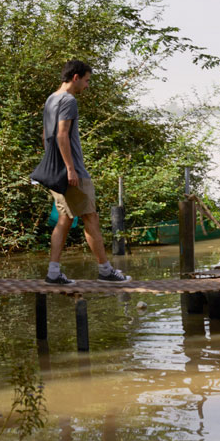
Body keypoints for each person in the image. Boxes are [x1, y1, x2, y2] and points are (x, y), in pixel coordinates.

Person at [42, 60, 131, 284]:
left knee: (64, 218)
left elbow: (45, 136)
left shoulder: (51, 99)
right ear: (76, 78)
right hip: (73, 172)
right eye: (87, 80)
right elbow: (62, 135)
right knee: (91, 217)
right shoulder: (69, 100)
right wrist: (71, 169)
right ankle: (105, 271)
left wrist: (55, 167)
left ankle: (53, 272)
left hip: (55, 171)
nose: (87, 85)